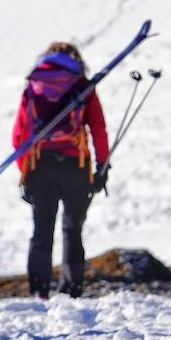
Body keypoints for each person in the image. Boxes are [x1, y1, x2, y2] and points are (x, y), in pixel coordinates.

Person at [11, 42, 109, 299]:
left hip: (39, 167)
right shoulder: (82, 86)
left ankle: (39, 290)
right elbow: (98, 128)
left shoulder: (34, 85)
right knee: (72, 228)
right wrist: (102, 167)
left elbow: (19, 136)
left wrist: (24, 172)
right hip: (75, 166)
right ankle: (71, 288)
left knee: (41, 231)